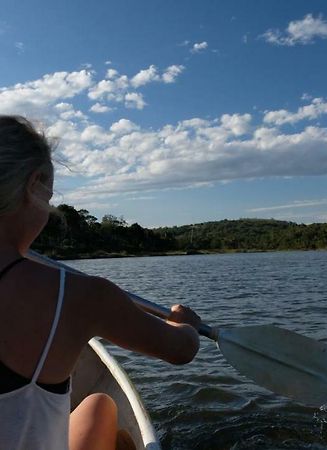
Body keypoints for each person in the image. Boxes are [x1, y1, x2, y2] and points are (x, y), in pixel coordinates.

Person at [0, 115, 201, 450]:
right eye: (47, 199)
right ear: (33, 185)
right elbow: (181, 350)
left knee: (97, 406)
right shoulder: (79, 296)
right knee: (101, 404)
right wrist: (187, 325)